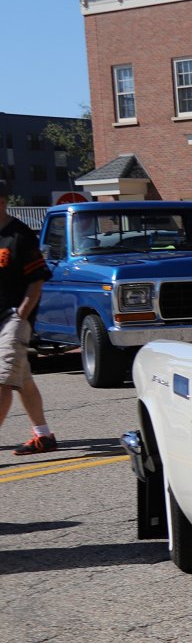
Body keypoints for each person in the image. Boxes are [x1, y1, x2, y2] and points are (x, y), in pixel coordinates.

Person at [0, 180, 58, 455]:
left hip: (12, 320)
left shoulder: (20, 236)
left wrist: (20, 316)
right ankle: (43, 436)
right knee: (23, 380)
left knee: (3, 382)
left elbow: (37, 281)